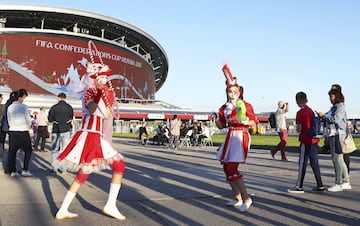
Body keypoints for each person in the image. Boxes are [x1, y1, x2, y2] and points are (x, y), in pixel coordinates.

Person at [54, 41, 126, 220]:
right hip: (89, 135)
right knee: (119, 165)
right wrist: (101, 93)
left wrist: (109, 96)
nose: (105, 79)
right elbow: (92, 109)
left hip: (95, 135)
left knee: (84, 173)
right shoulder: (89, 92)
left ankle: (63, 209)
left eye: (106, 77)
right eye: (102, 76)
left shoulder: (101, 92)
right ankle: (110, 205)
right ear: (94, 77)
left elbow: (107, 114)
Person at [214, 64, 258, 212]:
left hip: (241, 136)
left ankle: (247, 198)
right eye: (230, 91)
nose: (232, 93)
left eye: (235, 91)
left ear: (239, 92)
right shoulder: (224, 107)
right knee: (226, 167)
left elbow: (254, 121)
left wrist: (246, 121)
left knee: (232, 167)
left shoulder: (246, 105)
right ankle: (237, 197)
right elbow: (221, 126)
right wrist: (215, 117)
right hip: (230, 135)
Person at [287, 92, 325, 193]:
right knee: (314, 163)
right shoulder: (310, 111)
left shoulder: (300, 112)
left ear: (297, 101)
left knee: (302, 163)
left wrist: (298, 130)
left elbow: (300, 128)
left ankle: (299, 186)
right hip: (314, 139)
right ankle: (320, 184)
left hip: (305, 139)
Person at [318, 88, 351, 192]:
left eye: (331, 96)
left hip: (338, 135)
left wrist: (324, 116)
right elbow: (329, 117)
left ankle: (338, 183)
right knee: (340, 160)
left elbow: (335, 119)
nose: (330, 99)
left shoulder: (340, 107)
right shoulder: (334, 108)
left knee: (336, 160)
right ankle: (346, 181)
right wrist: (323, 116)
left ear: (336, 96)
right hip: (334, 135)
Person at [7, 89, 33, 177]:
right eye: (24, 97)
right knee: (28, 150)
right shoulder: (23, 106)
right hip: (22, 130)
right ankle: (25, 169)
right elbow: (28, 119)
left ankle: (12, 171)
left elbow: (9, 119)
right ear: (21, 97)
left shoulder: (10, 107)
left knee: (12, 151)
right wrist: (29, 126)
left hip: (12, 130)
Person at [48, 92, 73, 174]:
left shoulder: (54, 107)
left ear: (58, 98)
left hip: (56, 130)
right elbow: (71, 117)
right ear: (65, 98)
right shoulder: (69, 107)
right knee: (65, 149)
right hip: (66, 130)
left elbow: (50, 119)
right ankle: (64, 169)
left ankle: (54, 168)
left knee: (55, 150)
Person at [329, 84, 350, 174]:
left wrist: (326, 116)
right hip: (335, 132)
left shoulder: (340, 104)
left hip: (341, 132)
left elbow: (336, 119)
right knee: (338, 157)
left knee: (341, 156)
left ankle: (344, 176)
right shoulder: (335, 106)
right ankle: (343, 176)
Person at [1, 91, 17, 173]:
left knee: (10, 147)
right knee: (12, 148)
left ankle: (8, 166)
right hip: (12, 127)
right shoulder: (13, 105)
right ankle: (9, 167)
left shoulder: (7, 103)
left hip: (6, 126)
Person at [0, 94, 5, 160]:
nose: (2, 99)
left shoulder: (3, 107)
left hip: (2, 127)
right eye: (1, 98)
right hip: (1, 127)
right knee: (1, 142)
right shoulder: (3, 107)